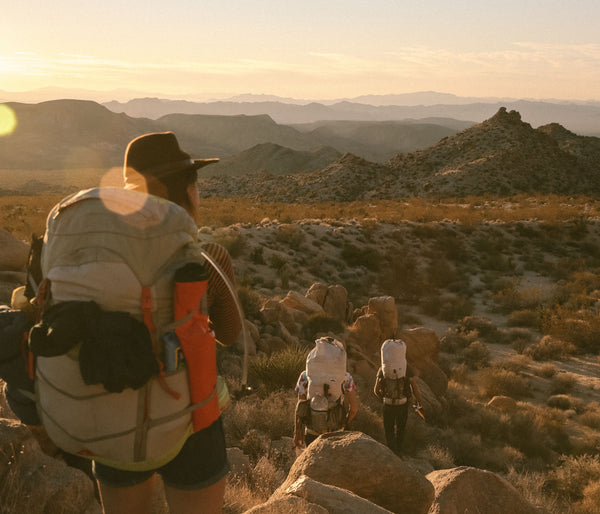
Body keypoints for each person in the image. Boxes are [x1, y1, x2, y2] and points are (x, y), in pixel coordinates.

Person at [39, 132, 241, 514]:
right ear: (183, 192)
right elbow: (229, 335)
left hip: (110, 418)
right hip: (191, 422)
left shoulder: (90, 257)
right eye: (195, 184)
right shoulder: (206, 257)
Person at [293, 338, 359, 449]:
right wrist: (344, 423)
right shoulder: (345, 377)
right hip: (336, 432)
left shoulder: (305, 376)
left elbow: (301, 406)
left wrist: (297, 432)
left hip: (312, 431)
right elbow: (354, 408)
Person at [373, 342, 423, 456]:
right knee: (401, 429)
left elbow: (375, 390)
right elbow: (414, 386)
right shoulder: (406, 367)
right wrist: (419, 402)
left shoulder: (383, 368)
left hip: (388, 404)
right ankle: (399, 452)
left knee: (388, 429)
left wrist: (384, 399)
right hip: (402, 404)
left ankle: (391, 453)